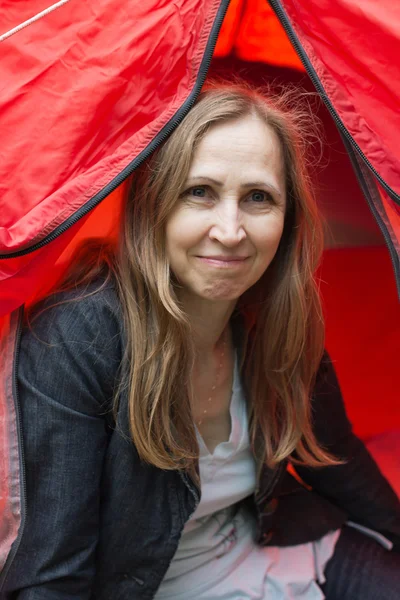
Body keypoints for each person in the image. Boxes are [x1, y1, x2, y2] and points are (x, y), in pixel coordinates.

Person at [2, 83, 400, 600]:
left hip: (270, 546)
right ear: (153, 204)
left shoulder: (272, 315)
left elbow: (336, 454)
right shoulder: (76, 338)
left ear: (288, 219)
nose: (230, 230)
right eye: (200, 192)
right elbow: (50, 577)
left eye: (259, 198)